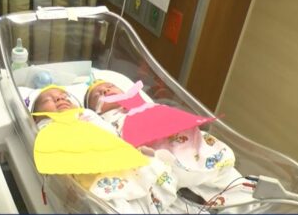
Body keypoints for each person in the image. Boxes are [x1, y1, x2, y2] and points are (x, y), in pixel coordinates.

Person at [26, 84, 211, 214]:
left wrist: (139, 152)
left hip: (119, 161)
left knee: (149, 186)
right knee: (111, 202)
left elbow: (111, 133)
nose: (59, 98)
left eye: (64, 95)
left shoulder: (87, 114)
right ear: (36, 115)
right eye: (47, 99)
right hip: (90, 171)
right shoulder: (44, 127)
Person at [84, 79, 258, 213]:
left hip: (182, 142)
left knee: (215, 166)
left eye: (109, 86)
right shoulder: (105, 119)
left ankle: (247, 201)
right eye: (97, 95)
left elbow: (172, 114)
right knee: (158, 187)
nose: (105, 90)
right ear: (96, 109)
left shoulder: (143, 103)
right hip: (158, 157)